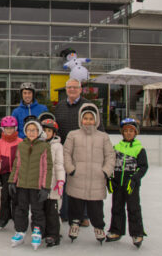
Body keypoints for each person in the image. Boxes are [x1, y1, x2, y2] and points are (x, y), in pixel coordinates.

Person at [63, 103, 115, 244]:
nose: (88, 121)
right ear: (80, 119)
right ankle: (74, 224)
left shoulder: (103, 137)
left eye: (91, 118)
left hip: (96, 179)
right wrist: (70, 168)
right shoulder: (73, 135)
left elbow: (110, 155)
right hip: (77, 177)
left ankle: (98, 226)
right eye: (85, 118)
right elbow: (66, 153)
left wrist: (105, 171)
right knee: (75, 205)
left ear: (96, 120)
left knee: (96, 208)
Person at [54, 78, 103, 224]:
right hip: (64, 149)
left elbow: (99, 126)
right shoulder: (61, 105)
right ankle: (66, 212)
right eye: (69, 88)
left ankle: (84, 216)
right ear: (66, 89)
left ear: (80, 89)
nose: (72, 90)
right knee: (67, 182)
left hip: (84, 149)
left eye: (75, 87)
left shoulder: (89, 105)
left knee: (82, 182)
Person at [8, 117, 53, 250]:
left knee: (37, 210)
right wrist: (12, 181)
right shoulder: (22, 145)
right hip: (22, 184)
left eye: (34, 130)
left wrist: (46, 187)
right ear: (25, 131)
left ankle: (37, 231)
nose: (31, 132)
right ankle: (20, 231)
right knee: (21, 209)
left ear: (39, 131)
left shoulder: (44, 146)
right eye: (29, 130)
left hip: (37, 186)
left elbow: (47, 167)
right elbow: (17, 164)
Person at [106, 118, 148, 248]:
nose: (128, 133)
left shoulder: (139, 149)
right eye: (126, 131)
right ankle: (116, 230)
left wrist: (135, 179)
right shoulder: (116, 147)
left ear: (136, 133)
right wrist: (110, 178)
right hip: (118, 183)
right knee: (117, 207)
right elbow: (110, 163)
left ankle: (137, 233)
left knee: (133, 208)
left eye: (131, 131)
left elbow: (143, 167)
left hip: (131, 185)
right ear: (122, 133)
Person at [0, 115, 23, 229]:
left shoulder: (20, 141)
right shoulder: (0, 142)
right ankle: (3, 218)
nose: (9, 130)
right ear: (3, 129)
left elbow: (23, 159)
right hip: (5, 173)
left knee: (16, 197)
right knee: (4, 197)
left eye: (11, 128)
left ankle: (17, 218)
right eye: (7, 128)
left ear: (15, 129)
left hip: (16, 174)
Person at [41, 118, 65, 247]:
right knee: (41, 209)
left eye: (49, 131)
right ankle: (43, 230)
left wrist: (60, 180)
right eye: (44, 130)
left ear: (54, 133)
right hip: (40, 184)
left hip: (53, 183)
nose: (46, 133)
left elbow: (59, 165)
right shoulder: (37, 144)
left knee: (52, 211)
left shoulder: (57, 146)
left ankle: (54, 234)